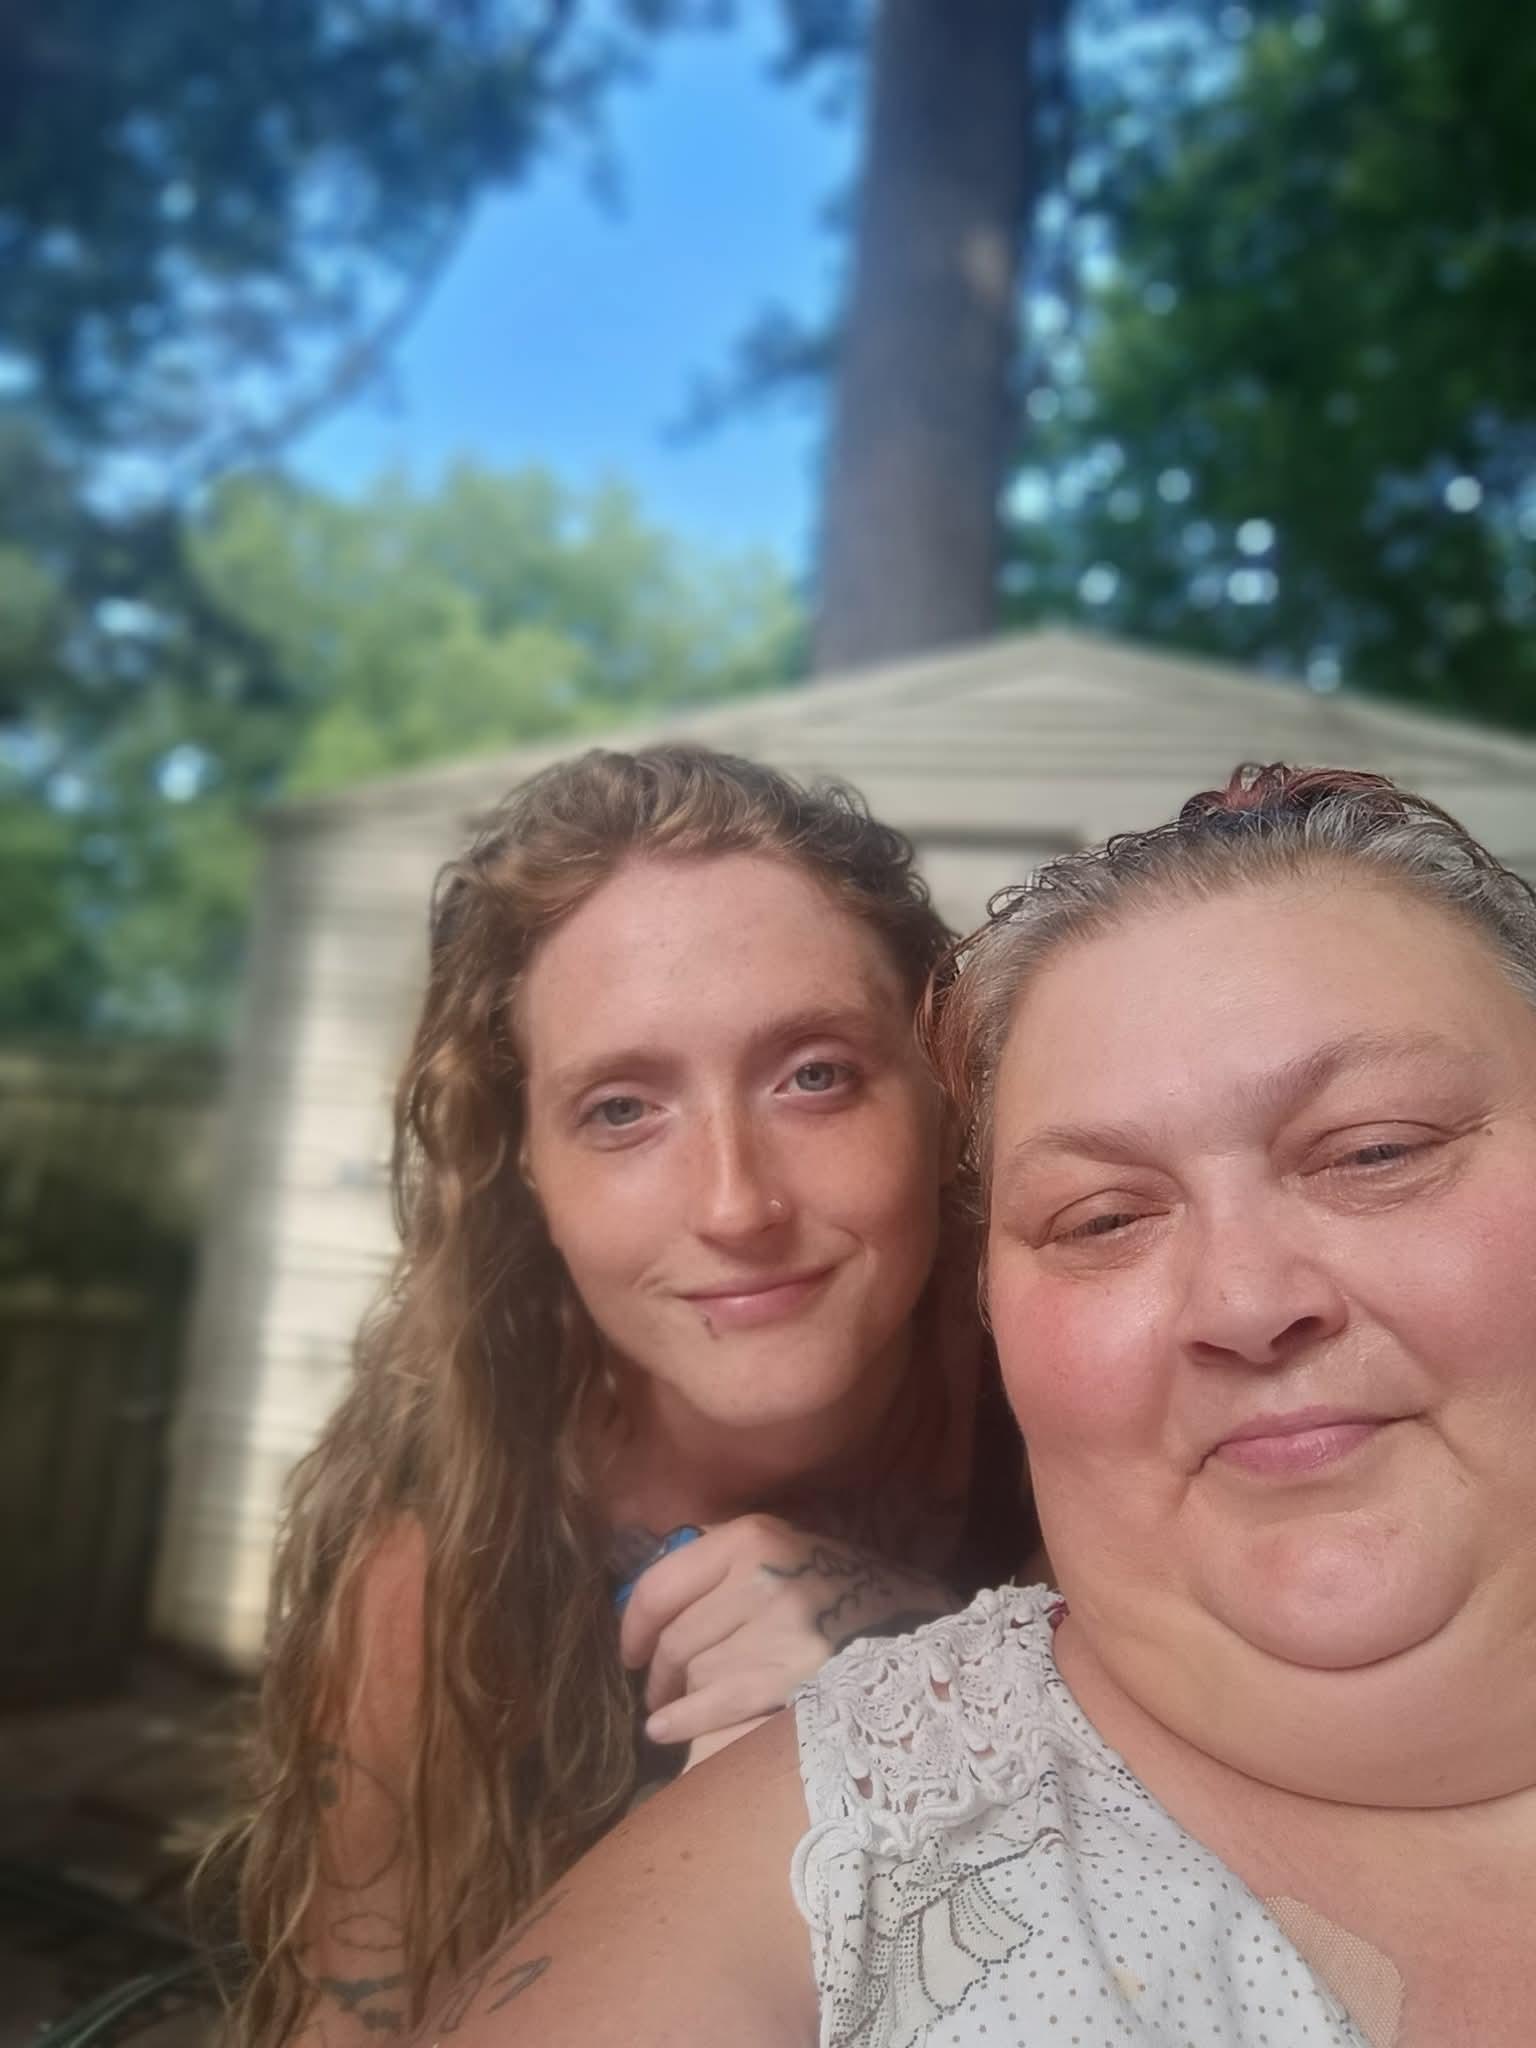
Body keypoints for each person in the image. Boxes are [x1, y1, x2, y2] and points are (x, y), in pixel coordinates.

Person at [429, 762, 1536, 2047]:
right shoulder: (459, 1553)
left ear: (935, 1138)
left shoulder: (997, 1406)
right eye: (1103, 1217)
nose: (736, 1205)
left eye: (1378, 1149)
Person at [221, 744, 1033, 2048]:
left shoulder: (1077, 1407)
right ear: (524, 1170)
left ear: (941, 1094)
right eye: (619, 1110)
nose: (737, 1204)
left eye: (814, 1073)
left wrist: (945, 1677)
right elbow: (357, 2014)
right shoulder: (449, 1556)